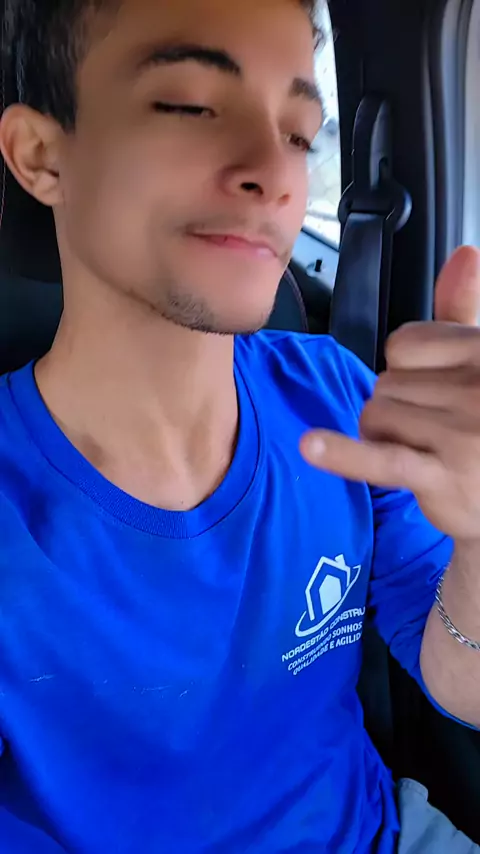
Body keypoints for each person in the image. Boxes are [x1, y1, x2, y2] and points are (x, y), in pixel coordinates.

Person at [0, 0, 479, 851]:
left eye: (299, 134)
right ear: (41, 155)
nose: (275, 172)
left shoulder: (341, 399)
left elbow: (460, 683)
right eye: (190, 105)